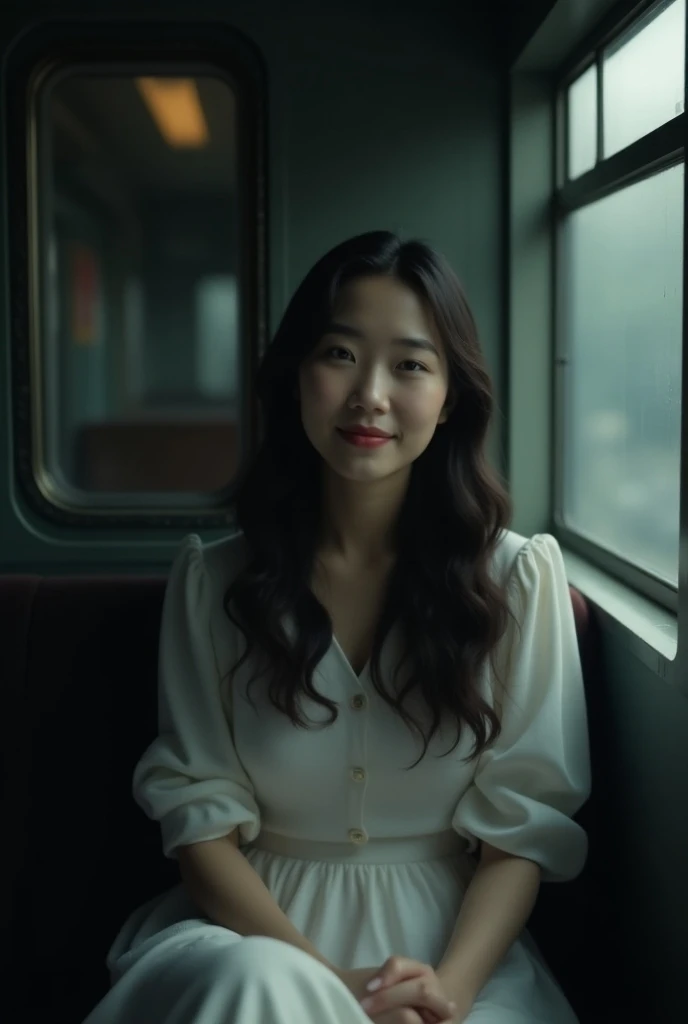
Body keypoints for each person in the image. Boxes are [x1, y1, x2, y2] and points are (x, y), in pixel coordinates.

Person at [83, 231, 591, 1024]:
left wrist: (448, 993)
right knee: (259, 990)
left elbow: (522, 833)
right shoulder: (213, 582)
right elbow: (201, 826)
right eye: (341, 355)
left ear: (450, 395)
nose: (371, 396)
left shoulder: (518, 581)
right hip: (248, 939)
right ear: (296, 376)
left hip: (453, 957)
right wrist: (329, 988)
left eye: (411, 365)